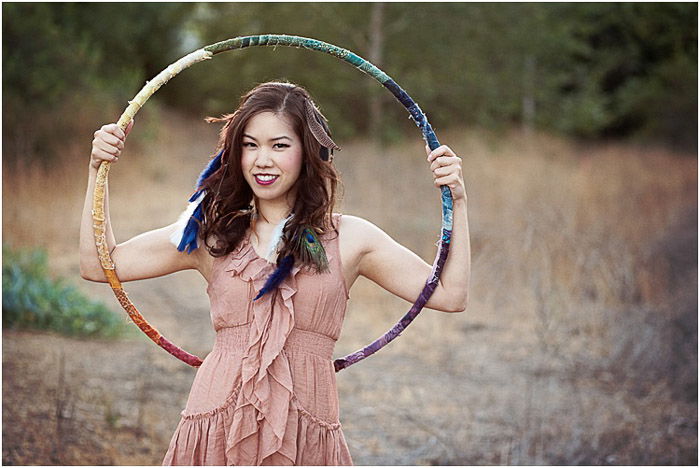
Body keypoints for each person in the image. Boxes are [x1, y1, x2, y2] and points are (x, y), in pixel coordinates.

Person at [79, 81, 471, 466]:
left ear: (308, 152)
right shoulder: (211, 234)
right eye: (250, 145)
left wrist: (458, 199)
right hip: (217, 430)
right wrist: (99, 170)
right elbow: (100, 265)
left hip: (305, 439)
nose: (262, 160)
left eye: (279, 145)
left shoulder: (351, 238)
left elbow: (450, 296)